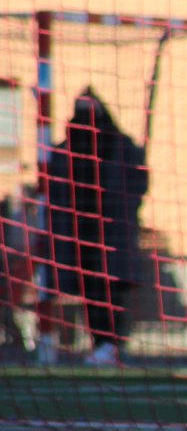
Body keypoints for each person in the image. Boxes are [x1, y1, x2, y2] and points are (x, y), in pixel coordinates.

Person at [45, 89, 147, 366]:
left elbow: (139, 181)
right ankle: (99, 344)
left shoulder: (120, 146)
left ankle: (113, 344)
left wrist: (123, 210)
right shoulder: (67, 149)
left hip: (113, 234)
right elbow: (54, 188)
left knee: (111, 291)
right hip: (81, 234)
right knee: (91, 292)